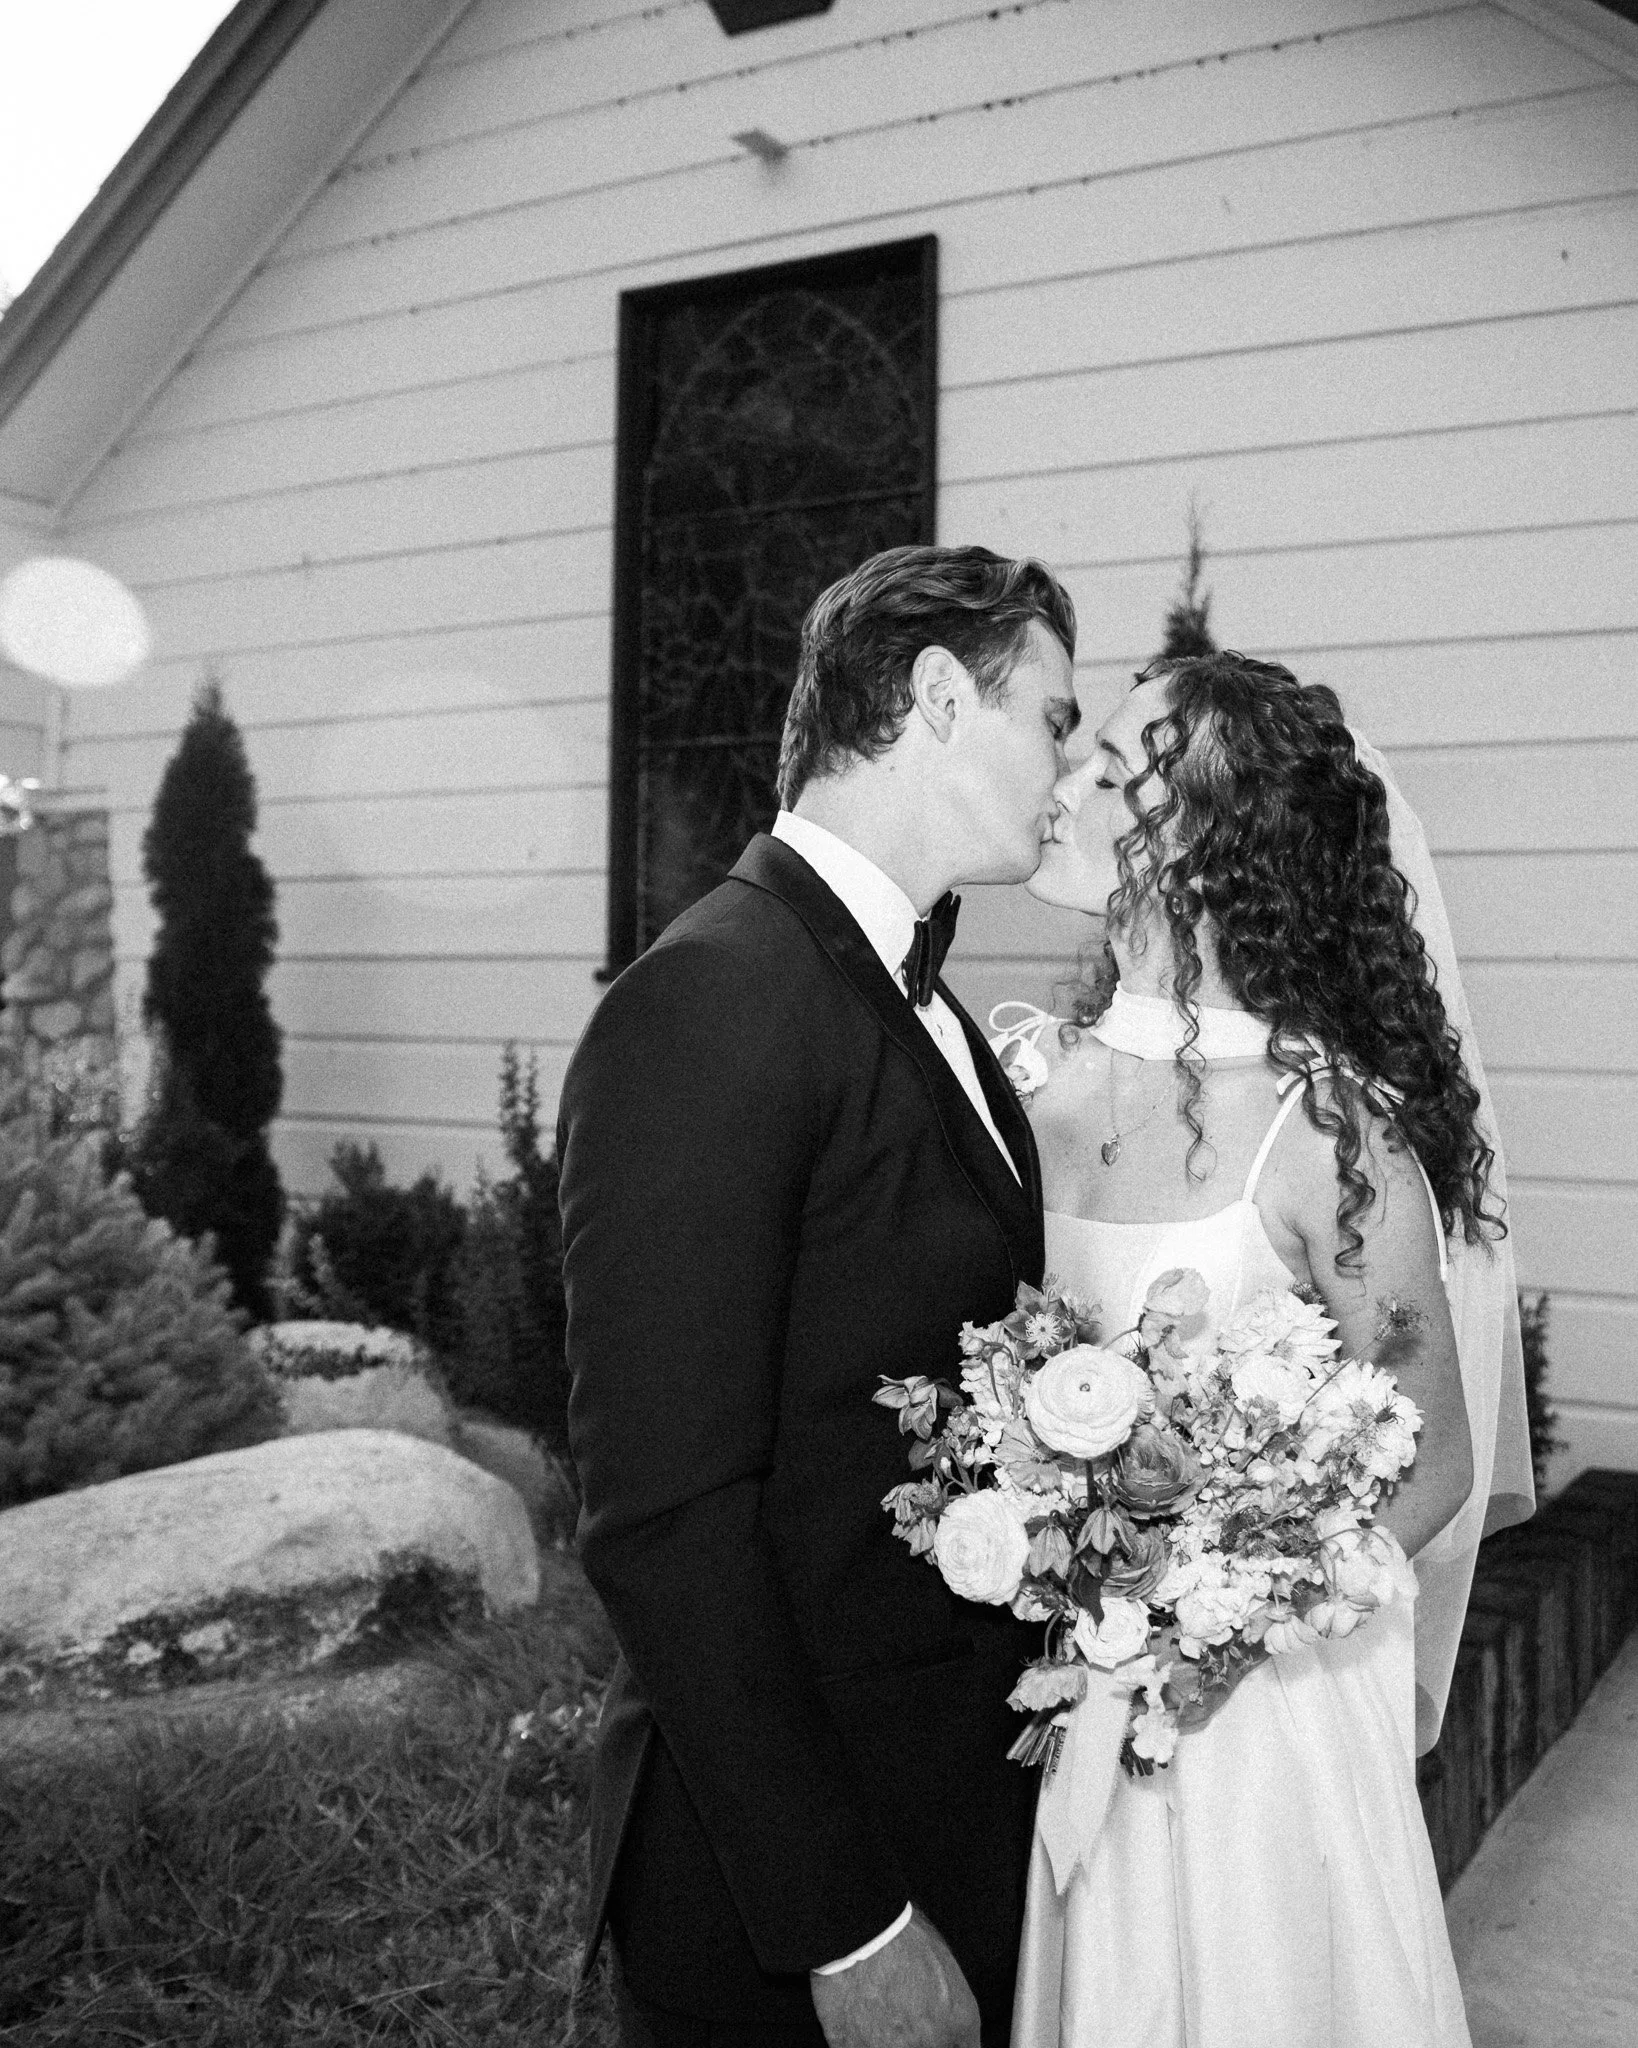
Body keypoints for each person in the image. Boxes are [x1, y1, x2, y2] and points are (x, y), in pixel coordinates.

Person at [557, 544, 1080, 2048]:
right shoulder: (712, 996)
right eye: (1049, 715)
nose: (1067, 761)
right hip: (789, 1885)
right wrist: (841, 1922)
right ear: (931, 697)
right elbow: (664, 1517)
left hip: (944, 1794)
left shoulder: (938, 1014)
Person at [997, 649, 1533, 2048]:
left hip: (1261, 1727)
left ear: (1195, 847)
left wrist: (1219, 1623)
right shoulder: (1021, 1085)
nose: (1061, 782)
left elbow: (1435, 1462)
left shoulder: (1327, 1134)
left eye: (1110, 770)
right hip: (1054, 1691)